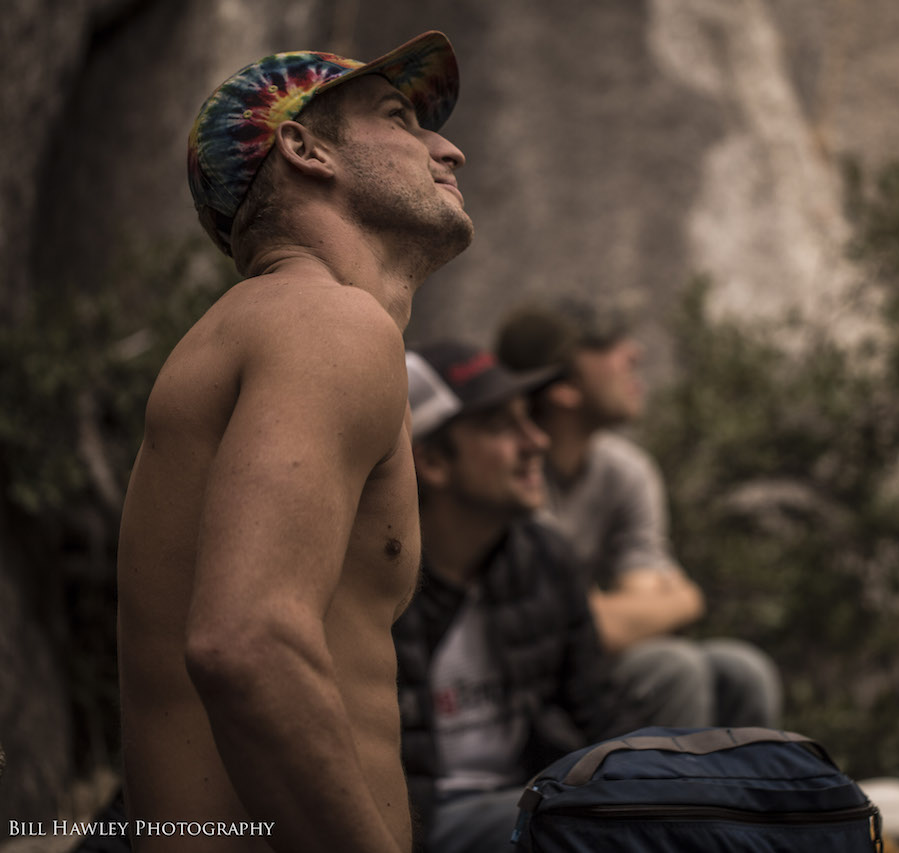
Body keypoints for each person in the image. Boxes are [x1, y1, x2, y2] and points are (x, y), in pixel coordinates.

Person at [116, 31, 472, 853]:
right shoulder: (324, 322)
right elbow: (247, 643)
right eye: (400, 118)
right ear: (306, 149)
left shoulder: (267, 326)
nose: (449, 149)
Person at [394, 342, 648, 853]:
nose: (536, 440)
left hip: (528, 793)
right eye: (499, 426)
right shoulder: (380, 585)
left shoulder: (543, 559)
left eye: (527, 418)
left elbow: (596, 710)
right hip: (429, 820)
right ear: (433, 460)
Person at [495, 297, 783, 730]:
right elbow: (597, 628)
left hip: (592, 668)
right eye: (607, 344)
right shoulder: (512, 475)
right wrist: (685, 598)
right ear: (565, 387)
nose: (634, 353)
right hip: (530, 687)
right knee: (673, 668)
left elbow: (636, 597)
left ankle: (735, 780)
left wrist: (648, 607)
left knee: (742, 671)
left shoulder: (624, 471)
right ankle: (665, 779)